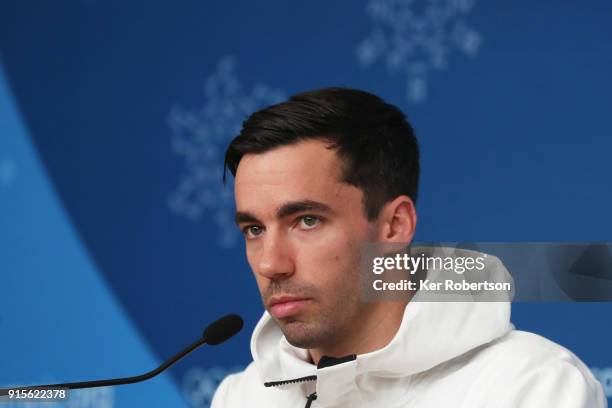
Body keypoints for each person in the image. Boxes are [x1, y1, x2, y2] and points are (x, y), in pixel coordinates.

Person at [211, 88, 606, 407]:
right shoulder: (240, 397)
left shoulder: (531, 386)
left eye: (307, 221)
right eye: (254, 229)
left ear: (395, 225)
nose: (270, 263)